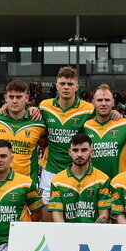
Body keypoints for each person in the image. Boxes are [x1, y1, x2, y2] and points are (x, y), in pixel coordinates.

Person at [37, 67, 95, 204]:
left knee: (74, 208)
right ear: (56, 86)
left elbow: (104, 118)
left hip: (77, 169)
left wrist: (114, 113)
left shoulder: (88, 109)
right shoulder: (45, 106)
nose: (66, 87)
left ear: (77, 87)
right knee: (47, 207)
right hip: (50, 168)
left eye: (70, 84)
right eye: (62, 84)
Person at [0, 81, 47, 201]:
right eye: (11, 97)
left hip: (28, 185)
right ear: (5, 98)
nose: (14, 101)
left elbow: (45, 147)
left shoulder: (39, 122)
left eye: (19, 97)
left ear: (26, 98)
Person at [49, 133, 112, 224]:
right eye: (75, 150)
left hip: (94, 231)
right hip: (67, 231)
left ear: (91, 152)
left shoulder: (102, 180)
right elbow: (57, 216)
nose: (79, 154)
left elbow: (103, 215)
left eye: (84, 150)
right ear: (69, 152)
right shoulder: (57, 181)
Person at [83, 85, 126, 177]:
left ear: (113, 103)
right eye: (99, 100)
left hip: (119, 182)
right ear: (93, 103)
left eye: (107, 100)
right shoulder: (86, 126)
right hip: (95, 182)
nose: (103, 103)